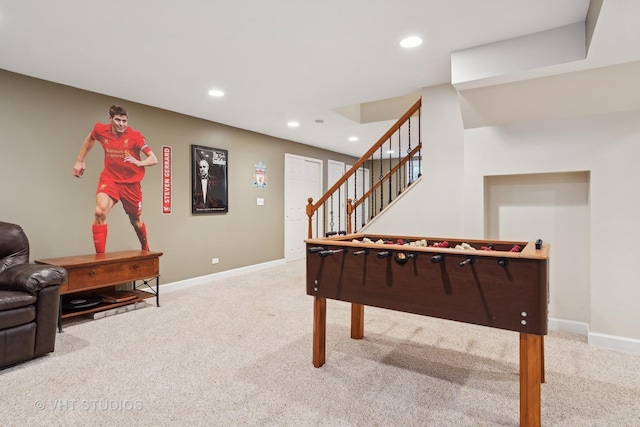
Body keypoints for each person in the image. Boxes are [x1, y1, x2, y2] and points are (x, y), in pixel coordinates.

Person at [73, 105, 158, 253]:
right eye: (118, 120)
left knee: (136, 221)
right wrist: (80, 160)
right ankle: (100, 259)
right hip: (110, 179)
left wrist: (139, 162)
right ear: (110, 119)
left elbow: (153, 158)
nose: (121, 124)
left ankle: (145, 248)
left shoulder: (135, 136)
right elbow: (90, 138)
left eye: (124, 121)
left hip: (131, 184)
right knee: (99, 212)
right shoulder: (101, 130)